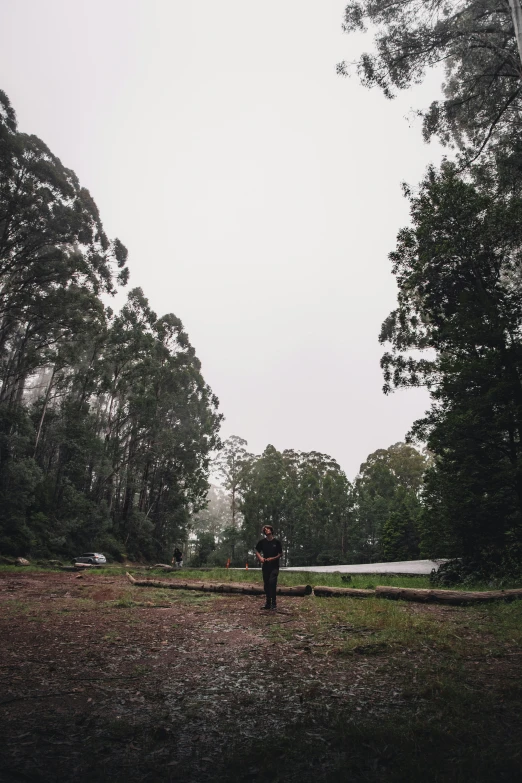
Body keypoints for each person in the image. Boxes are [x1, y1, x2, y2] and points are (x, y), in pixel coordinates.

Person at [255, 525, 282, 610]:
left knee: (272, 583)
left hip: (274, 566)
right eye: (264, 530)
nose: (266, 530)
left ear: (271, 530)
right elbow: (256, 550)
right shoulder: (262, 542)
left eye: (267, 529)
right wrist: (260, 558)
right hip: (266, 566)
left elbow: (280, 554)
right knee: (266, 584)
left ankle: (274, 604)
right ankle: (268, 603)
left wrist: (273, 558)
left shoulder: (277, 542)